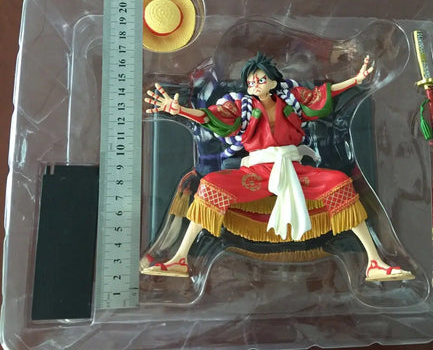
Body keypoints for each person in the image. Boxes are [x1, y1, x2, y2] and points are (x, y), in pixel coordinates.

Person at [142, 52, 413, 281]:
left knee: (339, 183)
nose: (255, 84)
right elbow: (213, 117)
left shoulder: (292, 101)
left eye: (260, 79)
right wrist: (181, 110)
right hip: (255, 173)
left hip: (295, 169)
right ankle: (180, 258)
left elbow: (321, 96)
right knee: (210, 185)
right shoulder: (241, 106)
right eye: (251, 81)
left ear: (273, 81)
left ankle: (374, 261)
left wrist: (355, 80)